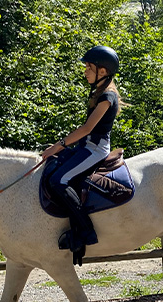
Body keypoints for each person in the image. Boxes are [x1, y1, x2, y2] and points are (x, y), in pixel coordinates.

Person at [42, 45, 121, 254]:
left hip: (95, 149)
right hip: (85, 146)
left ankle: (86, 231)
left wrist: (58, 145)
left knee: (58, 180)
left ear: (102, 71)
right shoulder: (99, 93)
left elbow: (88, 128)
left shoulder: (107, 97)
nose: (85, 71)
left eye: (89, 67)